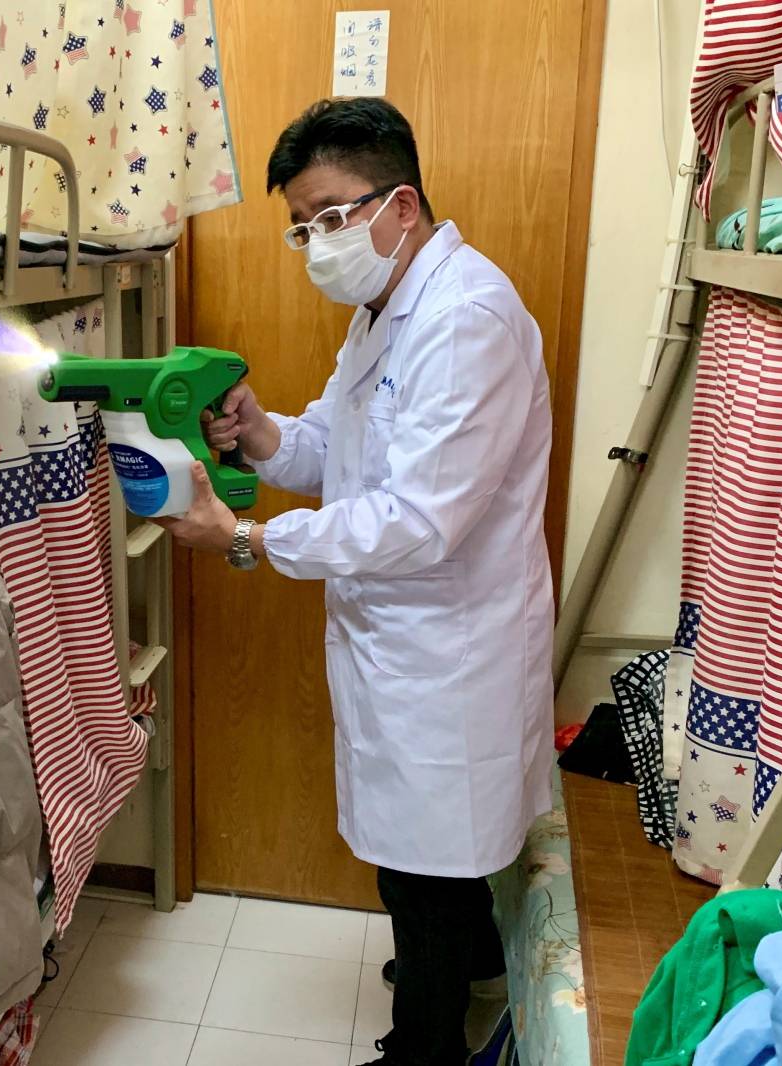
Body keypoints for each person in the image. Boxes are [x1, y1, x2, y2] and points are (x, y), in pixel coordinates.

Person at [155, 98, 555, 1066]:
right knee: (423, 859)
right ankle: (478, 958)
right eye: (301, 226)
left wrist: (246, 535)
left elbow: (416, 519)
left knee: (418, 873)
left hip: (448, 646)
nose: (314, 242)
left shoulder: (464, 318)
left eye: (330, 215)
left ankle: (421, 1049)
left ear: (400, 204)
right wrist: (259, 432)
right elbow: (340, 447)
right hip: (400, 641)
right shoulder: (385, 311)